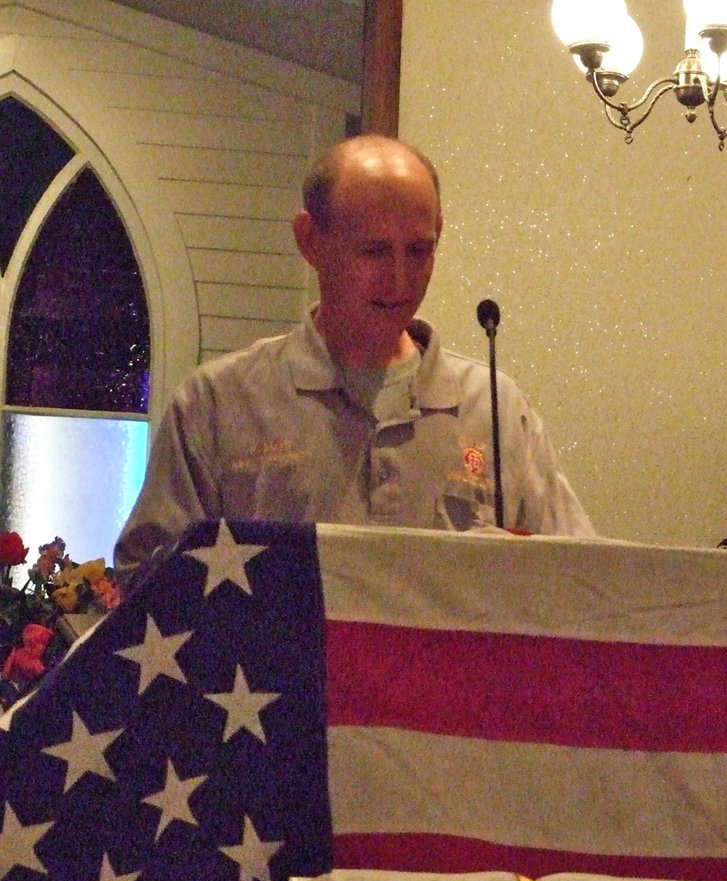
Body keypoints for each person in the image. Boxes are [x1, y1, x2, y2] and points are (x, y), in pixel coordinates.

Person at [115, 134, 593, 579]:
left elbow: (580, 578)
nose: (400, 279)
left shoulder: (495, 409)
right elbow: (147, 587)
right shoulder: (218, 404)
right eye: (375, 251)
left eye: (419, 250)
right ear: (311, 241)